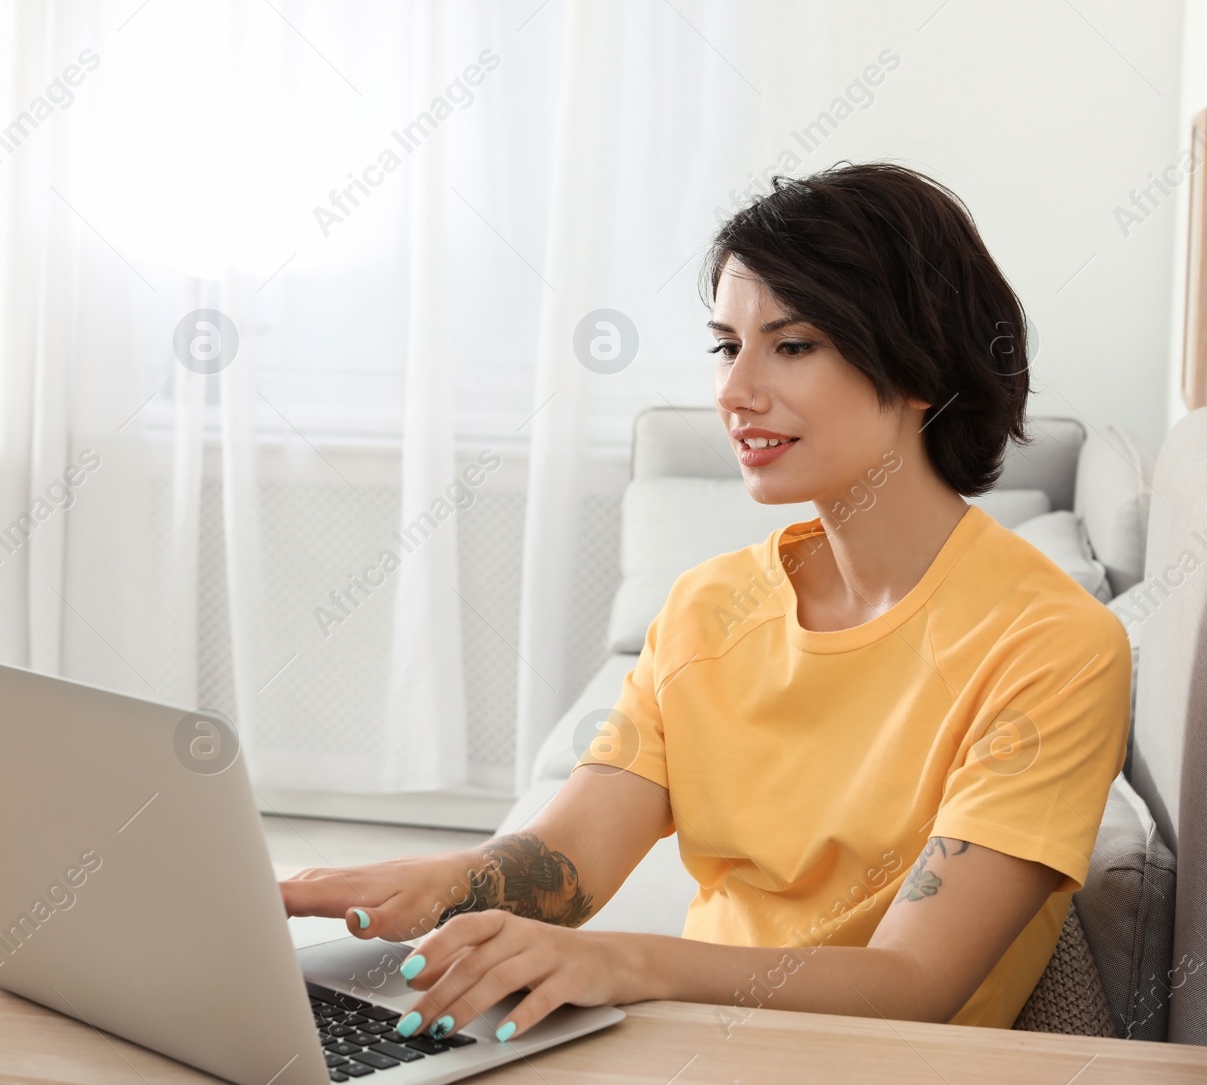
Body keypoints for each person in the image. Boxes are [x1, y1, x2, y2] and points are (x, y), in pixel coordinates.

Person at [280, 161, 1131, 1044]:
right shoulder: (708, 606)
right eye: (727, 345)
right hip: (677, 1043)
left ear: (920, 365)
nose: (732, 391)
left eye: (791, 345)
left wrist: (624, 962)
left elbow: (914, 981)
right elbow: (571, 857)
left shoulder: (1055, 645)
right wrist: (443, 881)